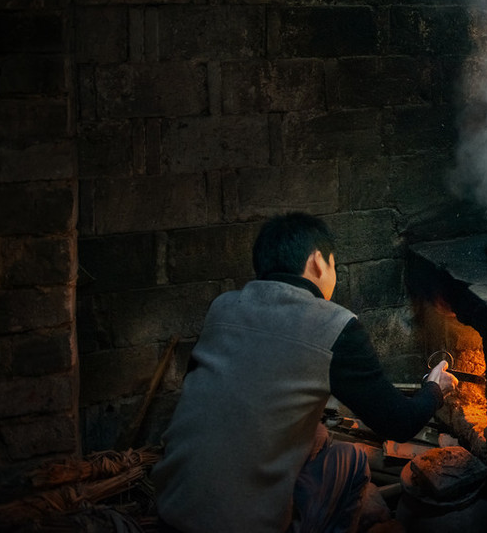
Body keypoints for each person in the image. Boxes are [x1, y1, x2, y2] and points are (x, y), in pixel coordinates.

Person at [153, 212, 458, 533]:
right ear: (316, 261)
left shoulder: (223, 308)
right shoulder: (332, 323)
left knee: (318, 436)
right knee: (350, 461)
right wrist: (434, 389)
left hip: (170, 511)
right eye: (333, 264)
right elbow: (398, 422)